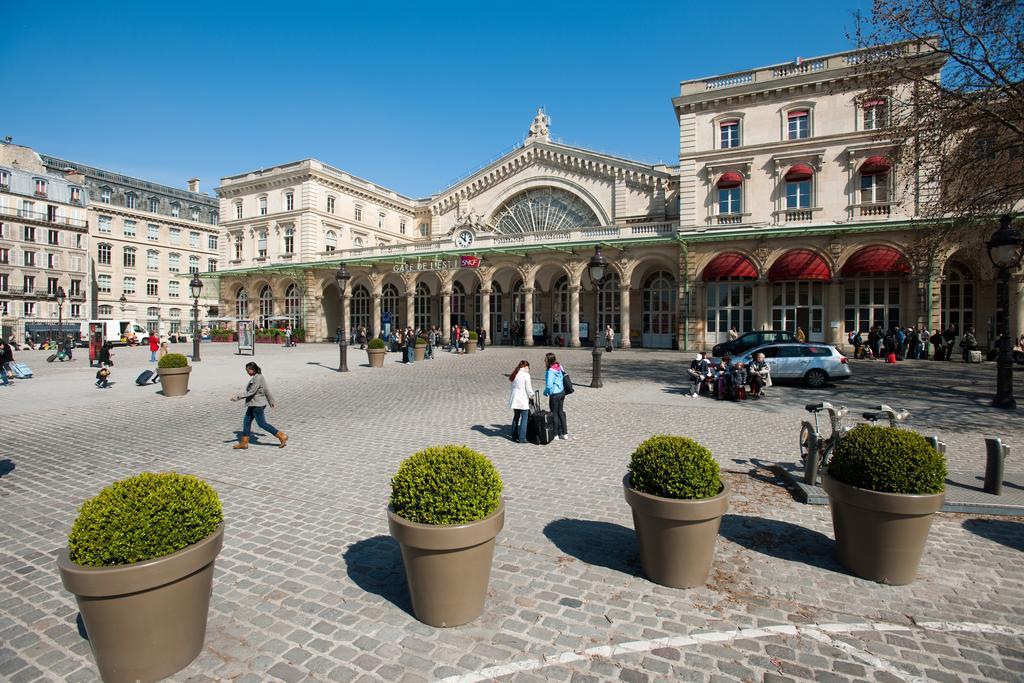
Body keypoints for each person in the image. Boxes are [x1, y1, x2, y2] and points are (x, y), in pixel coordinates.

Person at [230, 362, 287, 449]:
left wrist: (237, 397)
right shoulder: (259, 377)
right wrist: (271, 401)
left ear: (253, 369)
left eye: (249, 370)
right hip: (253, 404)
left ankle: (281, 435)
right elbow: (266, 389)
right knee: (246, 421)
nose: (248, 372)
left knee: (262, 423)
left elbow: (251, 392)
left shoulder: (258, 378)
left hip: (257, 405)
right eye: (247, 370)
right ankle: (244, 443)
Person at [543, 352, 569, 440]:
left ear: (549, 360)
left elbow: (549, 386)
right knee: (560, 412)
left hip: (554, 394)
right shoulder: (559, 366)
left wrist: (546, 392)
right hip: (562, 392)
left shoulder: (550, 371)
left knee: (554, 413)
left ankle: (556, 434)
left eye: (545, 359)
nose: (544, 360)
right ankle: (564, 433)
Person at [507, 360, 533, 443]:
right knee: (524, 418)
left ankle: (514, 436)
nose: (529, 368)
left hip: (515, 399)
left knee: (516, 417)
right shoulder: (526, 375)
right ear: (526, 367)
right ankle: (522, 437)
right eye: (529, 367)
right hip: (522, 399)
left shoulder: (515, 373)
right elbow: (528, 389)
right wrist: (532, 396)